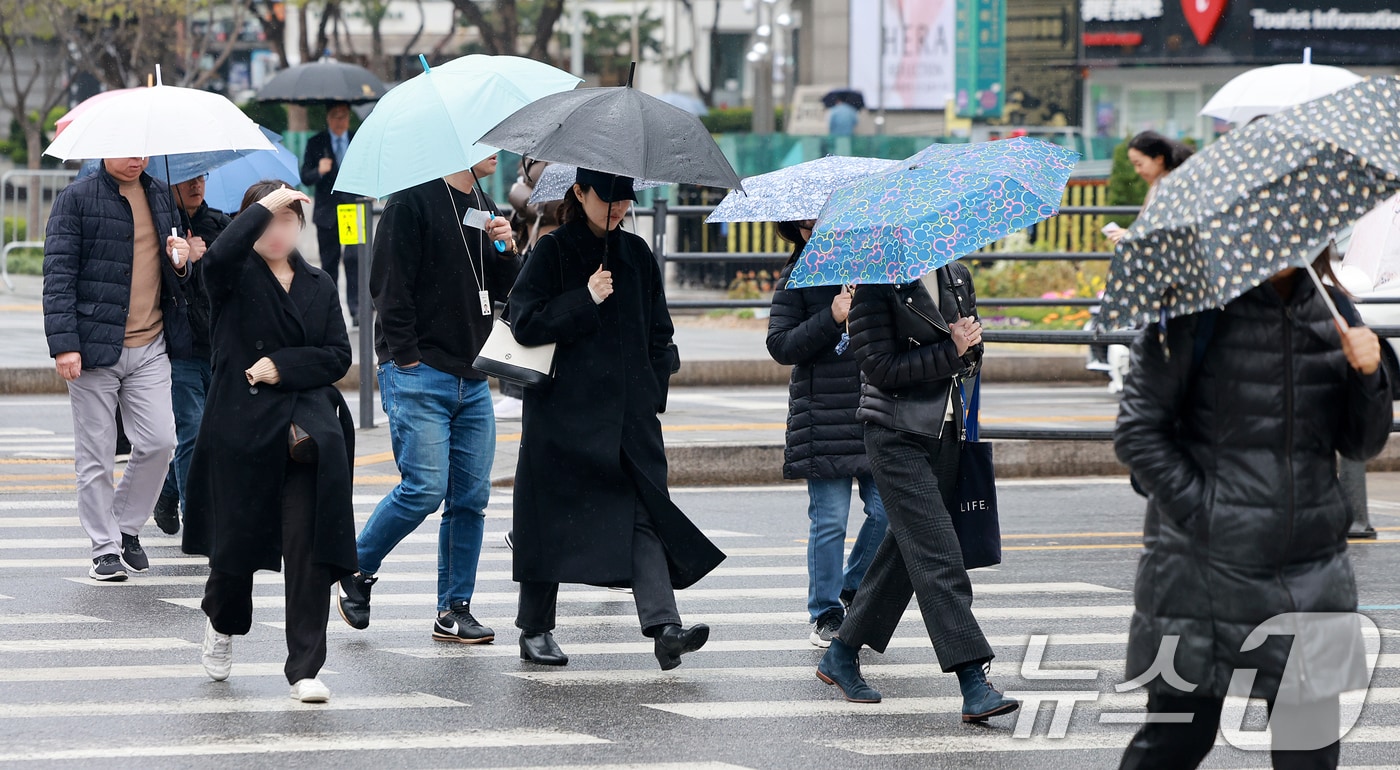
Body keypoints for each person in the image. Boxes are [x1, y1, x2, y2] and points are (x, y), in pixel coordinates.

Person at [1114, 252, 1391, 769]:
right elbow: (1138, 434)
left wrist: (1370, 376)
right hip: (1203, 569)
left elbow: (1360, 443)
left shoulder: (1336, 311)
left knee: (1309, 752)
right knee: (1177, 741)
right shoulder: (1192, 310)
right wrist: (1209, 512)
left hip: (1311, 570)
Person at [508, 169, 725, 669]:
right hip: (564, 417)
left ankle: (664, 626)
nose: (618, 209)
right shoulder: (553, 250)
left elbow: (660, 329)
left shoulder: (636, 254)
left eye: (625, 200)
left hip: (629, 418)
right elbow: (525, 322)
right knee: (549, 520)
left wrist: (651, 387)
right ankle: (535, 628)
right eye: (607, 199)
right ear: (580, 193)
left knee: (643, 512)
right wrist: (585, 297)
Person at [816, 265, 1021, 723]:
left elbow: (971, 357)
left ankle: (842, 651)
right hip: (894, 435)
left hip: (947, 433)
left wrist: (967, 349)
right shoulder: (874, 281)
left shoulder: (955, 275)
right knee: (936, 554)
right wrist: (951, 349)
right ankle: (973, 680)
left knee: (903, 555)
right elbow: (881, 369)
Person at [336, 155, 520, 644]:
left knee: (471, 500)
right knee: (423, 487)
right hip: (419, 372)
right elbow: (387, 286)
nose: (496, 151)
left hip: (473, 374)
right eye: (485, 139)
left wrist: (506, 247)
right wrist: (405, 357)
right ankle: (356, 567)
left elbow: (504, 288)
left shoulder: (483, 203)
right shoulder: (411, 202)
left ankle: (454, 609)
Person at [183, 182, 356, 704]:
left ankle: (305, 666)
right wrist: (262, 206)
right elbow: (217, 259)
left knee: (309, 551)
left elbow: (336, 356)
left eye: (288, 220)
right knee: (235, 551)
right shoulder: (231, 275)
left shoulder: (319, 283)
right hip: (240, 430)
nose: (278, 231)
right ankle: (222, 621)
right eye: (268, 221)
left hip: (304, 437)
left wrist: (284, 366)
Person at [43, 156, 192, 582]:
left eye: (143, 149)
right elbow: (58, 275)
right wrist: (65, 345)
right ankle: (104, 549)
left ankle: (126, 527)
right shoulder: (76, 199)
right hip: (93, 347)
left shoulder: (161, 194)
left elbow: (177, 276)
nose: (137, 159)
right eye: (127, 149)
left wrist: (181, 261)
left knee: (161, 441)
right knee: (96, 454)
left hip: (151, 343)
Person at [766, 219, 887, 647]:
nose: (815, 229)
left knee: (888, 513)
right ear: (796, 230)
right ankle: (826, 612)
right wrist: (832, 317)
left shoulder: (874, 264)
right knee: (831, 520)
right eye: (806, 224)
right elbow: (780, 345)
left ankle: (852, 589)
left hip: (876, 408)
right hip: (823, 415)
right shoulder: (798, 274)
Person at [151, 173, 232, 535]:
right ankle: (197, 515)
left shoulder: (222, 225)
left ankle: (167, 491)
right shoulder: (160, 226)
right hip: (180, 348)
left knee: (215, 436)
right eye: (187, 179)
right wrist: (183, 261)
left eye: (201, 178)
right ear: (171, 184)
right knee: (193, 432)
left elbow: (238, 279)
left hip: (220, 346)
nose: (196, 185)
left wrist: (207, 257)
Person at [495, 157, 563, 422]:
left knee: (533, 315)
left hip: (550, 240)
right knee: (519, 312)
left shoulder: (565, 155)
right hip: (531, 240)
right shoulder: (537, 152)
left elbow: (555, 206)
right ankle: (514, 386)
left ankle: (520, 389)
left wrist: (521, 195)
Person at [300, 102, 361, 324]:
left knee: (354, 259)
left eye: (344, 116)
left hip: (350, 210)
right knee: (329, 262)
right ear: (328, 118)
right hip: (327, 212)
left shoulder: (356, 140)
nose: (340, 121)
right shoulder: (316, 143)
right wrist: (319, 170)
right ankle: (332, 310)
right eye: (335, 116)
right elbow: (305, 176)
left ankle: (356, 309)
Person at [1106, 131, 1195, 246]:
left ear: (1159, 159)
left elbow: (1168, 229)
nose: (1137, 170)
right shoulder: (1160, 184)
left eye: (1139, 164)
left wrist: (1132, 235)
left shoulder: (1174, 187)